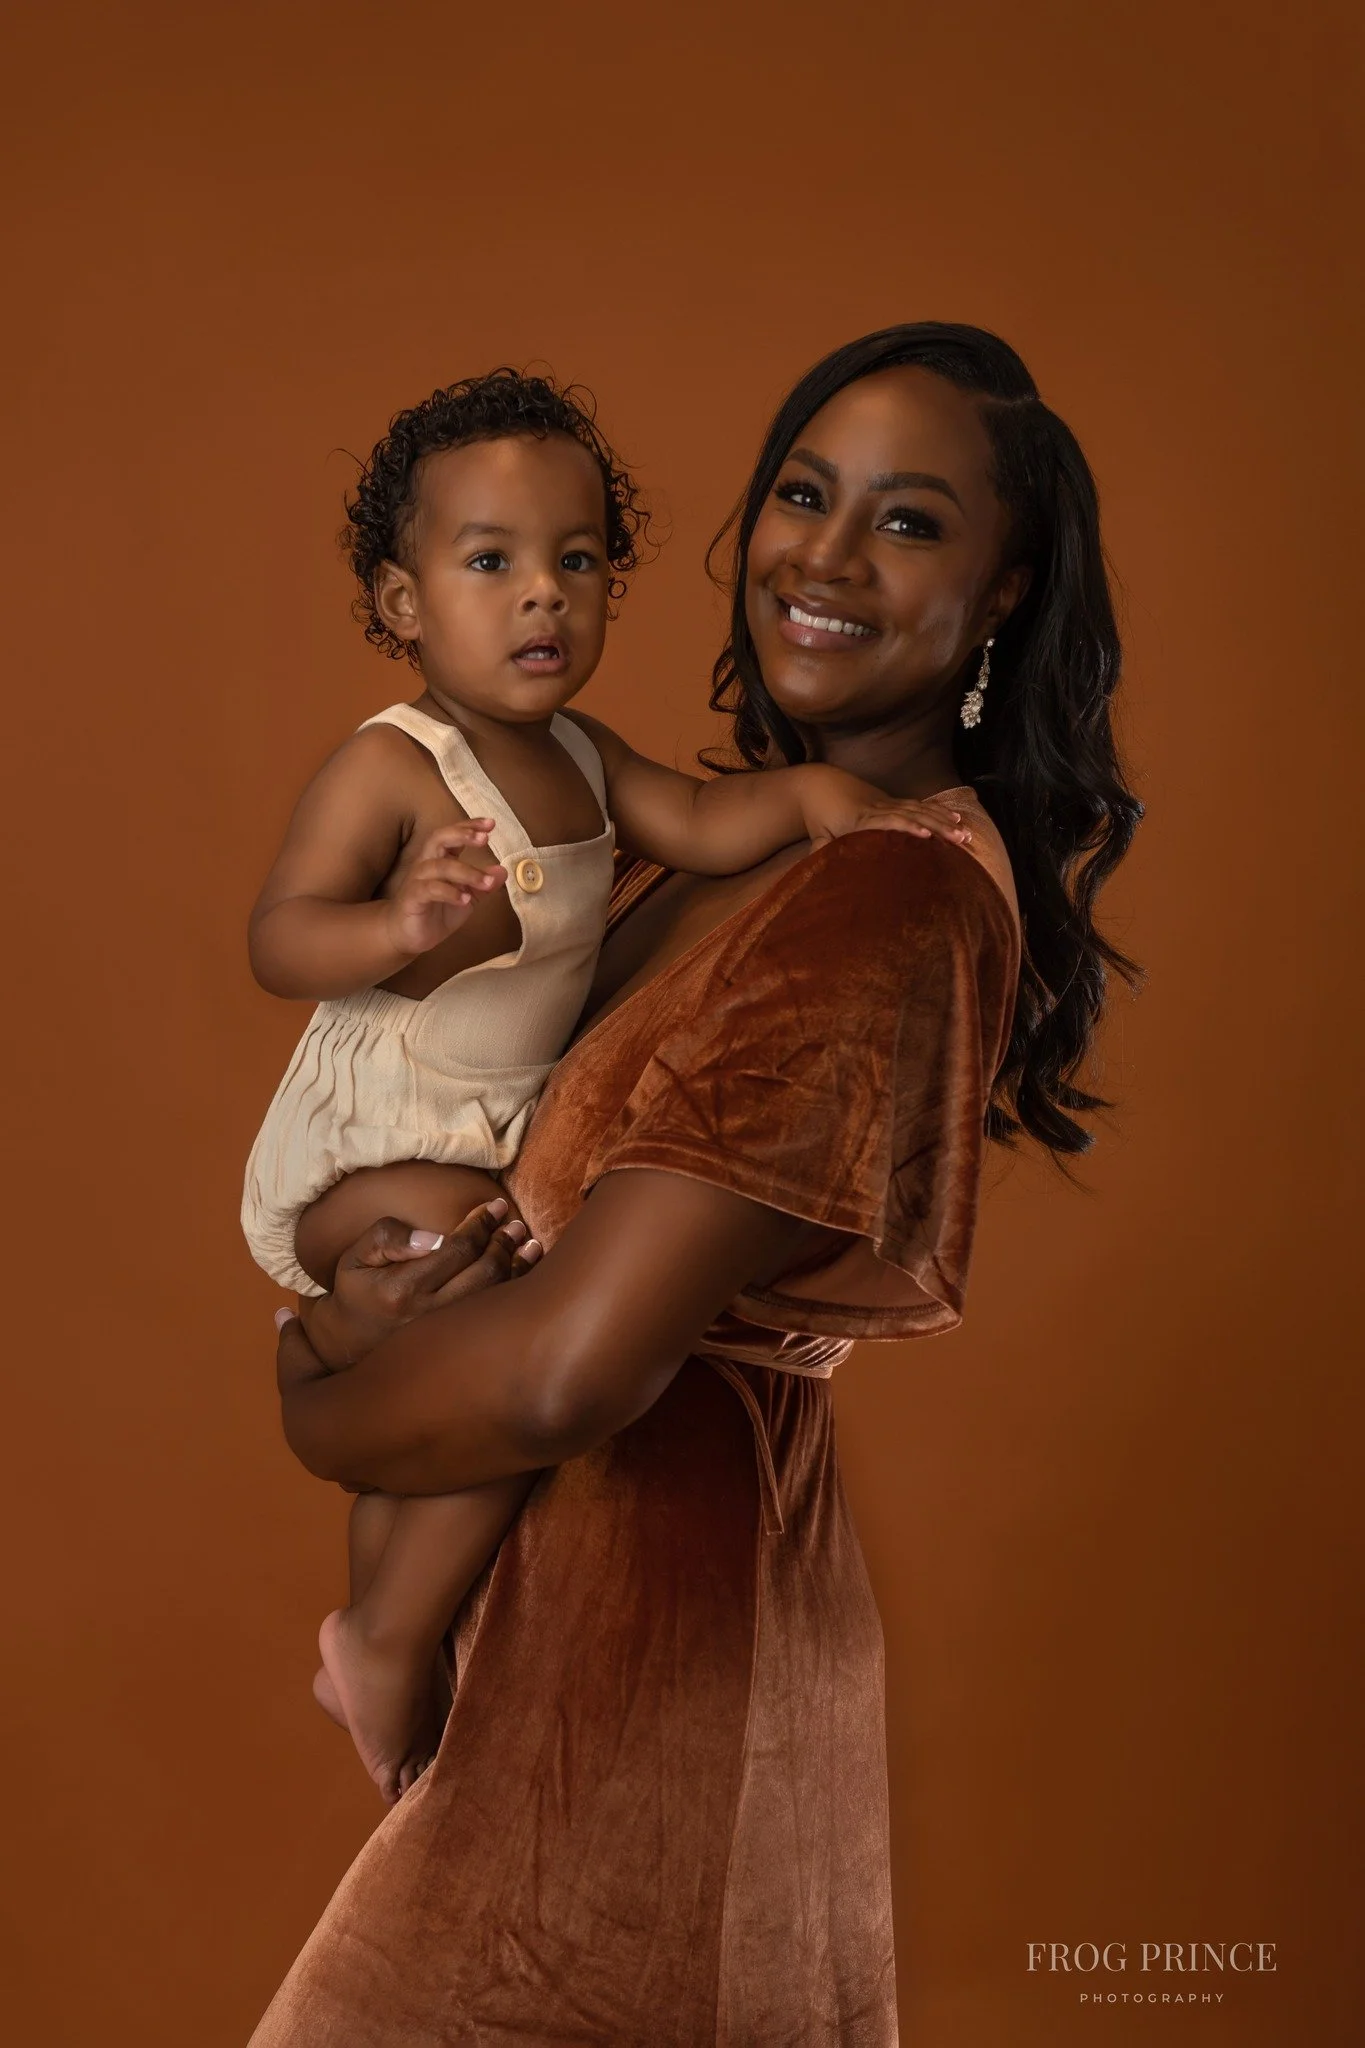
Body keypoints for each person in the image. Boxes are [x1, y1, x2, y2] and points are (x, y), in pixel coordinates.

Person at [250, 322, 1141, 2046]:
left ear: (1006, 592)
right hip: (557, 1629)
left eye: (907, 521)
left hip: (657, 1664)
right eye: (804, 494)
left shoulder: (893, 900)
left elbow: (569, 1365)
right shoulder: (691, 838)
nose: (822, 552)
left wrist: (309, 1383)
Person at [242, 369, 971, 1806]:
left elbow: (704, 822)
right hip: (377, 1133)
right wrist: (396, 929)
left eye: (577, 564)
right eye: (493, 563)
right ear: (402, 603)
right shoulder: (397, 767)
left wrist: (827, 806)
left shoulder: (583, 759)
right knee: (497, 1310)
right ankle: (382, 1608)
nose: (543, 601)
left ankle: (376, 1610)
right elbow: (279, 936)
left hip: (475, 1134)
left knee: (472, 1331)